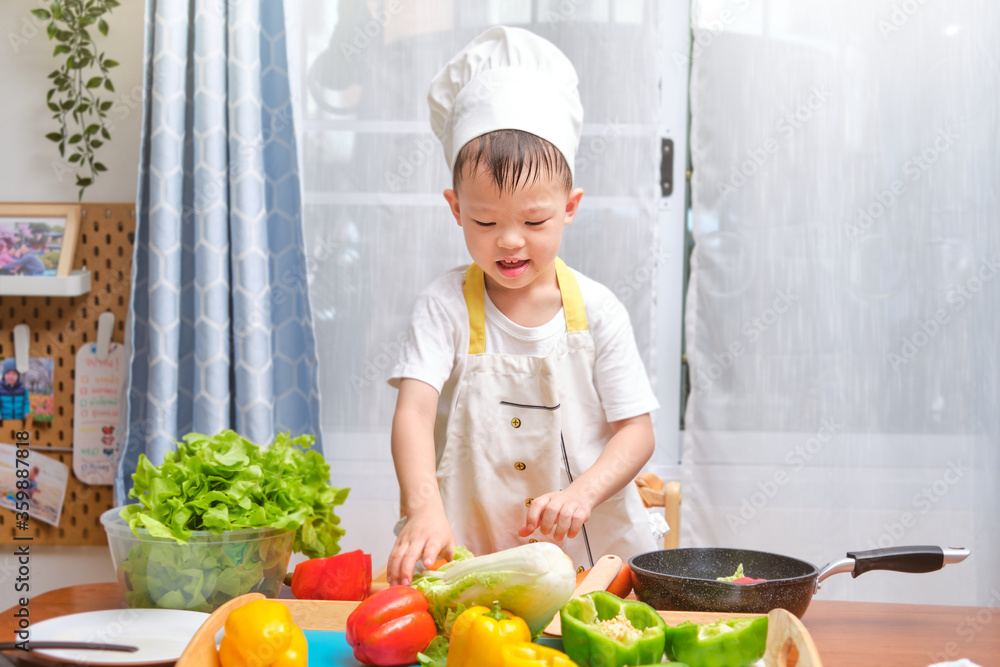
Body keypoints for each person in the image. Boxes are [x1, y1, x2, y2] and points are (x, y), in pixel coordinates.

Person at [386, 26, 659, 585]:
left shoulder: (600, 310)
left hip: (595, 563)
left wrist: (581, 494)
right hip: (469, 552)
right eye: (486, 222)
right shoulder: (444, 307)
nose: (510, 241)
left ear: (570, 207)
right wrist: (423, 508)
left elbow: (638, 431)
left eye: (534, 221)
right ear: (456, 209)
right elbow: (413, 413)